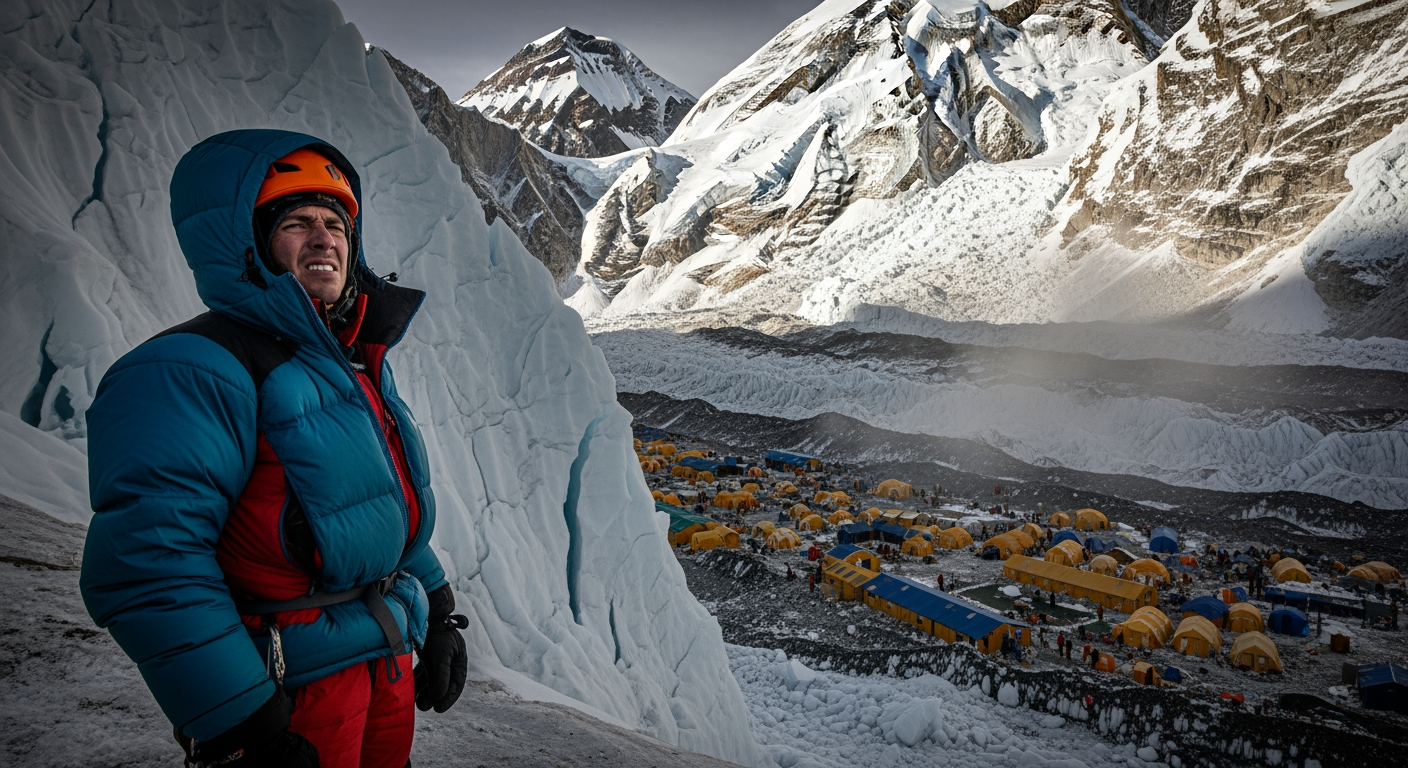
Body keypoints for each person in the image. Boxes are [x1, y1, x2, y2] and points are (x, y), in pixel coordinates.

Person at [80, 133, 468, 768]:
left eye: (335, 223)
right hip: (287, 686)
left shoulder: (351, 364)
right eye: (295, 223)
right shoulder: (193, 369)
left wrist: (439, 609)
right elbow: (150, 564)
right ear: (249, 246)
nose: (323, 239)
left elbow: (376, 508)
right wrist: (240, 719)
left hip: (381, 666)